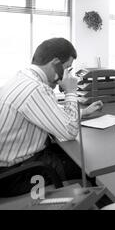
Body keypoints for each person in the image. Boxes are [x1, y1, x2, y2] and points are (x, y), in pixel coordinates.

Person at [0, 38, 103, 197]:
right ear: (55, 62)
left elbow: (48, 114)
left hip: (13, 164)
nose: (67, 74)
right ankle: (101, 203)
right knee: (90, 166)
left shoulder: (23, 78)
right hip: (18, 173)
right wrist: (70, 91)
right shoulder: (35, 89)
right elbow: (69, 131)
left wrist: (83, 112)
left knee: (74, 155)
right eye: (67, 68)